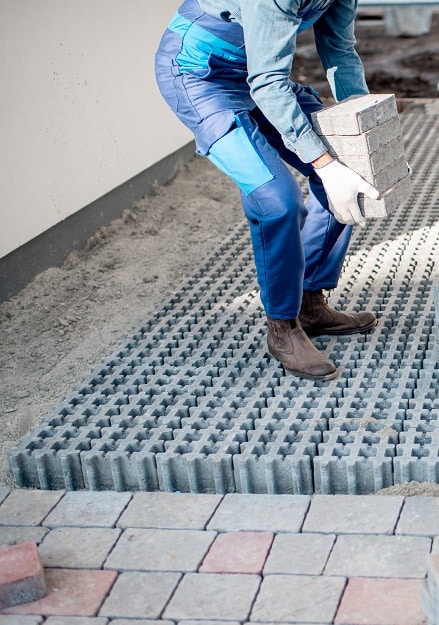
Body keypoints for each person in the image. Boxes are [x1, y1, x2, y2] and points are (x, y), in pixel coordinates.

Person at [154, 0, 379, 382]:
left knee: (353, 166)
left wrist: (363, 128)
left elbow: (338, 48)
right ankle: (283, 327)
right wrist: (325, 164)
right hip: (201, 77)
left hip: (258, 74)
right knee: (277, 201)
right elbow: (269, 83)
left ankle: (310, 301)